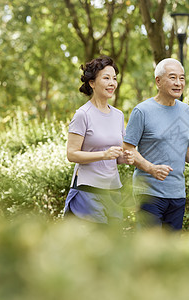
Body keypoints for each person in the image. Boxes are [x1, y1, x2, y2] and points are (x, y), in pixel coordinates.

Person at [123, 58, 189, 231]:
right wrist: (151, 168)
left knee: (171, 253)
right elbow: (128, 149)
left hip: (177, 194)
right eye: (172, 77)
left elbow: (185, 147)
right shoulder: (142, 111)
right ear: (158, 81)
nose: (178, 83)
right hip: (148, 193)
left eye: (182, 78)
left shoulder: (187, 112)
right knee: (150, 250)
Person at [63, 55, 134, 225]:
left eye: (114, 78)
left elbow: (115, 156)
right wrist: (104, 154)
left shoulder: (118, 115)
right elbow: (72, 154)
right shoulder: (83, 115)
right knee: (94, 247)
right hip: (88, 191)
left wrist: (125, 158)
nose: (112, 83)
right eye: (106, 78)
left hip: (112, 192)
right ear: (92, 83)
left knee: (113, 247)